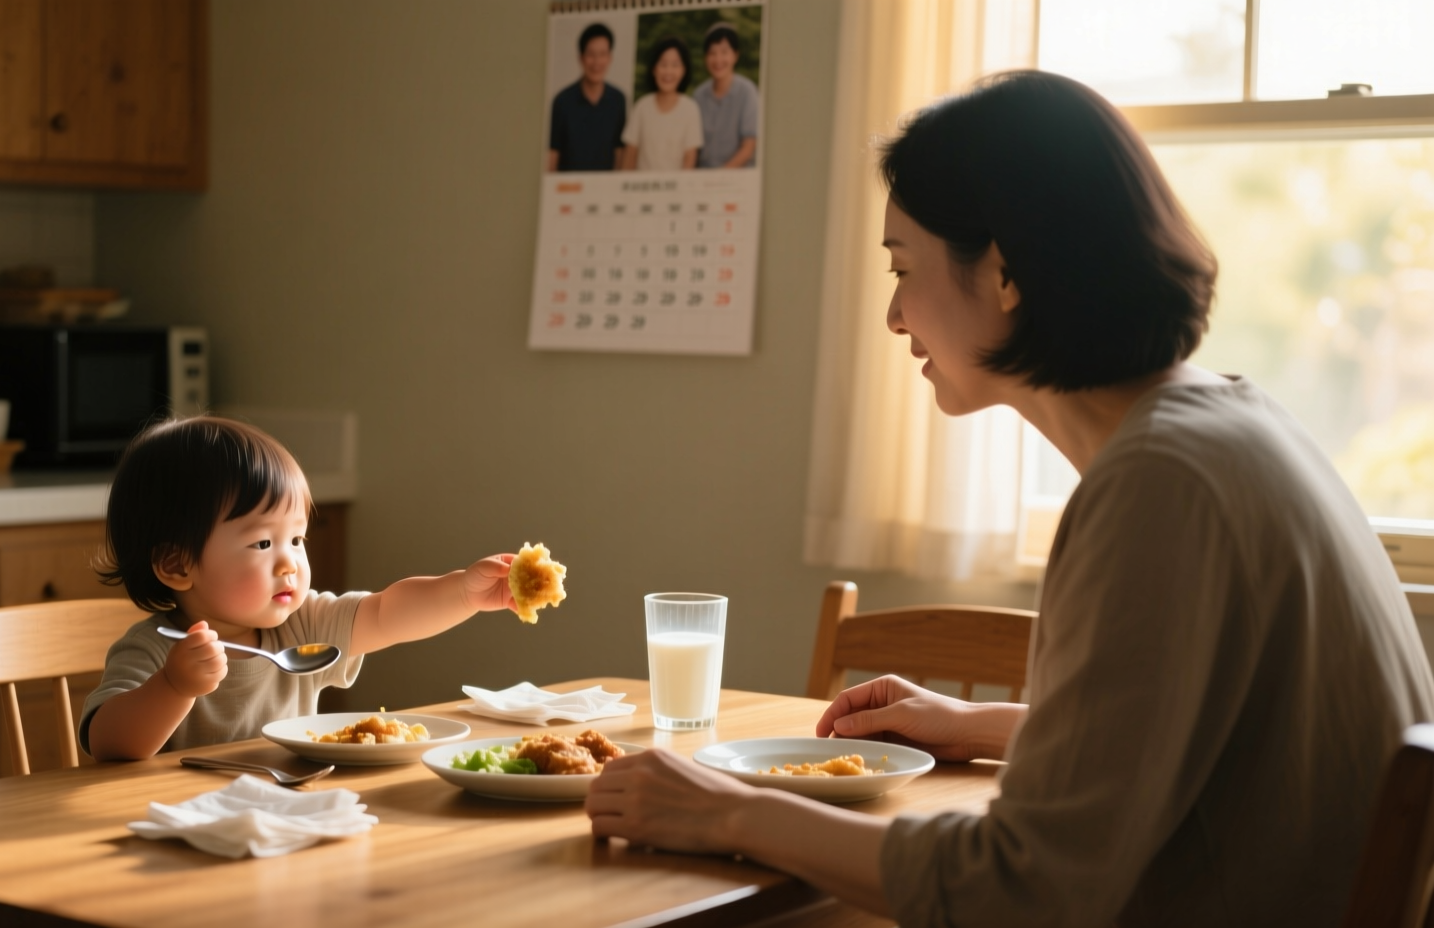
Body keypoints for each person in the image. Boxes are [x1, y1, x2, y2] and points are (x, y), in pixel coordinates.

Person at [586, 71, 1434, 927]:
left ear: (1004, 272)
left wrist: (727, 812)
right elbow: (1207, 749)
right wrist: (980, 725)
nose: (892, 315)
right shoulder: (1236, 423)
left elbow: (1021, 889)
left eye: (903, 267)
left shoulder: (1159, 486)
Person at [82, 417, 517, 760]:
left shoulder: (302, 626)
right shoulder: (154, 649)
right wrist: (172, 687)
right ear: (177, 565)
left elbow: (389, 613)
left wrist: (463, 592)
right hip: (185, 830)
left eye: (296, 539)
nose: (290, 561)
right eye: (263, 543)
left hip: (287, 811)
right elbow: (110, 744)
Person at [547, 23, 627, 172]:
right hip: (569, 190)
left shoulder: (618, 99)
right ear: (581, 58)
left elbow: (619, 152)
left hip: (605, 189)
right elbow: (552, 154)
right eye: (591, 54)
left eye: (602, 54)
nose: (597, 62)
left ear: (610, 58)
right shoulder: (562, 101)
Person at [621, 36, 702, 171]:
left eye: (675, 65)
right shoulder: (641, 106)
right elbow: (630, 156)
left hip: (676, 190)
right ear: (654, 69)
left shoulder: (690, 109)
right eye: (663, 64)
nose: (668, 71)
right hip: (641, 190)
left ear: (684, 70)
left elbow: (690, 159)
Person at [691, 23, 758, 169]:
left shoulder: (747, 91)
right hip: (701, 181)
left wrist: (720, 177)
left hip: (738, 180)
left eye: (724, 52)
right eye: (712, 53)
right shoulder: (698, 95)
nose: (718, 59)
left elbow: (749, 146)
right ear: (705, 58)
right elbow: (693, 148)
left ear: (735, 55)